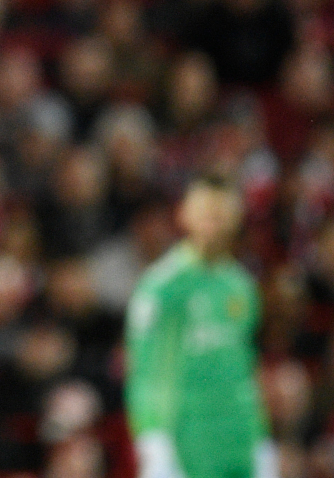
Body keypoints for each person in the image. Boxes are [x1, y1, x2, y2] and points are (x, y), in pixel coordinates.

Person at [124, 175, 277, 478]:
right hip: (182, 440)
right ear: (184, 214)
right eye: (206, 213)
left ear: (237, 217)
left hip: (240, 437)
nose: (214, 223)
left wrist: (260, 437)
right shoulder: (161, 288)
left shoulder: (241, 287)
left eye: (222, 214)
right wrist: (152, 441)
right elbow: (142, 371)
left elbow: (244, 366)